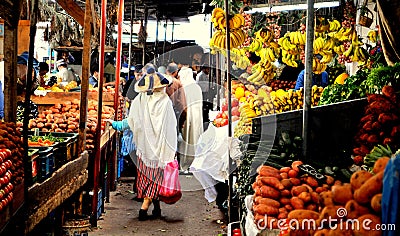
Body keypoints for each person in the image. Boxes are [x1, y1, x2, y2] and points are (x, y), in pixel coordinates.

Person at [108, 63, 176, 221]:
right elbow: (171, 127)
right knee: (156, 177)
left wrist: (115, 124)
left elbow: (131, 122)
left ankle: (150, 206)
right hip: (160, 149)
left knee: (147, 176)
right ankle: (148, 206)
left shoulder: (140, 100)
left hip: (144, 148)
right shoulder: (165, 102)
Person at [178, 58, 203, 172]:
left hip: (187, 118)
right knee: (195, 138)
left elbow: (182, 104)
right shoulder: (196, 87)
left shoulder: (184, 88)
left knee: (186, 140)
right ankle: (194, 163)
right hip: (197, 118)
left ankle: (185, 164)